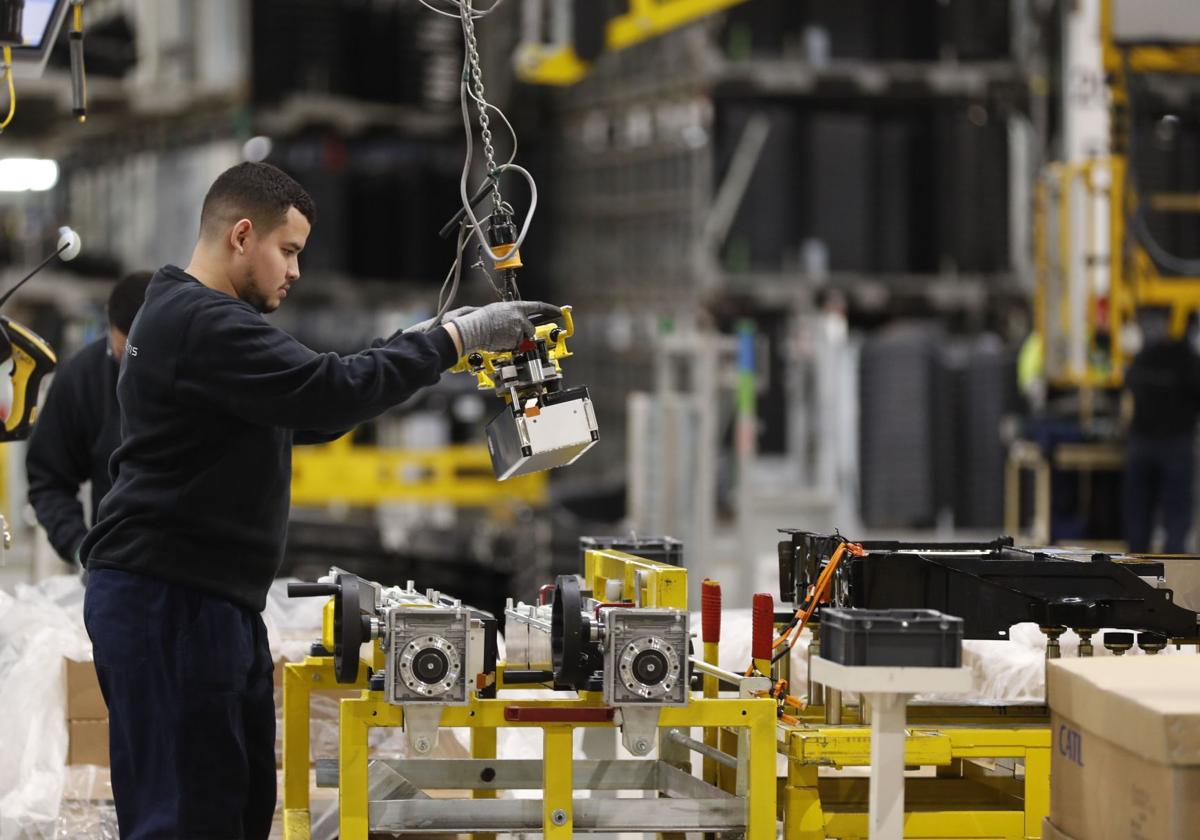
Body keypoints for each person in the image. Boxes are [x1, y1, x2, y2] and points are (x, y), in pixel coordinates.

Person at [80, 161, 557, 839]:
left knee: (233, 809)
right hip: (172, 602)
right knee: (187, 819)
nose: (296, 272)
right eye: (289, 251)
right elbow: (330, 388)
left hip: (204, 602)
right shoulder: (201, 321)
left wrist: (431, 343)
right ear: (242, 235)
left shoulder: (187, 318)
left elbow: (314, 410)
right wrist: (458, 338)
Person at [26, 272, 153, 569]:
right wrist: (79, 549)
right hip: (118, 574)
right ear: (109, 327)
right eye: (123, 355)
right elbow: (49, 480)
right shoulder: (82, 379)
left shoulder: (203, 371)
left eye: (146, 356)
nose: (133, 368)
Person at [1123, 319, 1200, 554]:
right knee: (1176, 520)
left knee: (1138, 516)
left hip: (1141, 444)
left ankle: (1132, 573)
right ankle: (1174, 574)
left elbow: (1128, 386)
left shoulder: (1142, 357)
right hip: (1175, 445)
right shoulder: (1189, 360)